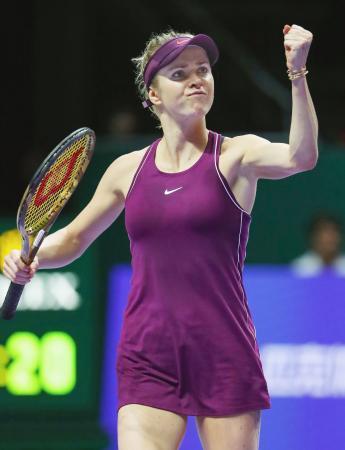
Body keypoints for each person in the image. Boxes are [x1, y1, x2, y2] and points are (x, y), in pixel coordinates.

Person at [2, 24, 318, 450]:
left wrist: (297, 74)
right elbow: (73, 239)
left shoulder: (237, 155)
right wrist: (31, 258)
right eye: (180, 73)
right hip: (148, 351)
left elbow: (301, 156)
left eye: (202, 70)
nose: (195, 79)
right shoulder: (127, 170)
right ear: (153, 94)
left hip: (222, 349)